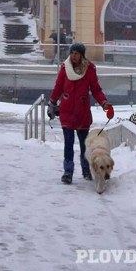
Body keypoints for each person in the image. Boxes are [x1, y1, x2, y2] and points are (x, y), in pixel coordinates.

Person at [47, 42, 114, 184]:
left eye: (76, 53)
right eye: (72, 53)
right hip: (66, 112)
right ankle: (68, 172)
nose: (73, 56)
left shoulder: (89, 69)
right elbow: (58, 87)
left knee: (85, 146)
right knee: (68, 144)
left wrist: (105, 104)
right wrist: (52, 103)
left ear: (82, 55)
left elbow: (96, 89)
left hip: (82, 113)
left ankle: (86, 170)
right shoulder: (65, 68)